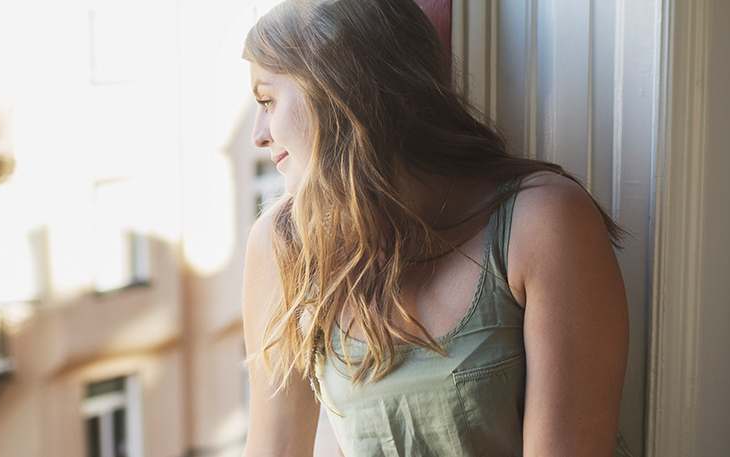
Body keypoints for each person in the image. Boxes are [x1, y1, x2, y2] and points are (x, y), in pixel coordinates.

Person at [239, 0, 633, 456]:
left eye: (267, 100)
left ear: (338, 91)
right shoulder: (282, 246)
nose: (259, 134)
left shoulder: (542, 221)